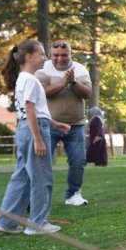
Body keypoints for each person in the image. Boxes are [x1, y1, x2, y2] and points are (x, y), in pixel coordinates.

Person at [0, 40, 70, 235]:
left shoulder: (23, 79)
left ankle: (6, 222)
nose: (45, 58)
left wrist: (54, 123)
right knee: (42, 178)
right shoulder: (31, 80)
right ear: (29, 57)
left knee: (22, 177)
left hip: (27, 129)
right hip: (33, 130)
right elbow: (29, 109)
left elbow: (34, 111)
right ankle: (37, 224)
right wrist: (38, 138)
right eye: (42, 54)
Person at [36, 40, 93, 206]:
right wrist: (63, 82)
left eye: (64, 55)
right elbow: (44, 92)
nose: (59, 59)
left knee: (78, 161)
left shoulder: (80, 69)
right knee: (42, 163)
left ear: (70, 55)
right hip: (49, 124)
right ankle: (39, 197)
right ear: (50, 55)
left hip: (75, 125)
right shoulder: (43, 68)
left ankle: (73, 194)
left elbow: (87, 93)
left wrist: (73, 82)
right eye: (56, 55)